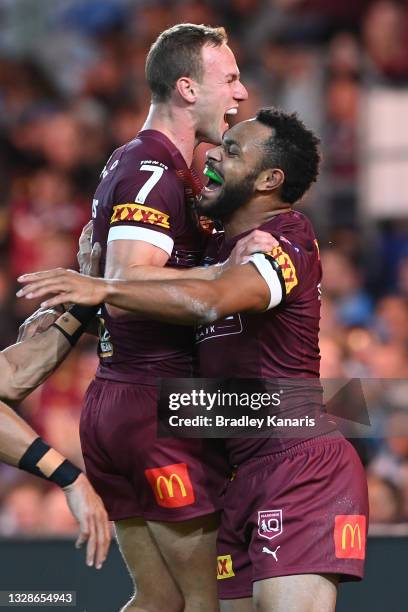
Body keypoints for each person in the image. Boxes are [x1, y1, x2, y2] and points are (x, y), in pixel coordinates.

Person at [19, 108, 369, 612]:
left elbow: (214, 301)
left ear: (270, 179)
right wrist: (75, 315)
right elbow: (168, 313)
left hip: (301, 467)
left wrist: (103, 284)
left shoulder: (287, 239)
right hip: (234, 469)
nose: (211, 158)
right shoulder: (212, 246)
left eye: (231, 152)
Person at [17, 23, 248, 612]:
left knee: (158, 600)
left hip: (122, 403)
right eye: (230, 79)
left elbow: (110, 278)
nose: (241, 93)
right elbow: (126, 280)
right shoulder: (151, 169)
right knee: (210, 601)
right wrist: (228, 280)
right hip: (156, 407)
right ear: (188, 88)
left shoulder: (141, 161)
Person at [0, 301, 111, 569]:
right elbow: (11, 376)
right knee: (26, 507)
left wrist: (73, 310)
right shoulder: (42, 392)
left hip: (98, 472)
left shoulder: (89, 375)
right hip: (49, 478)